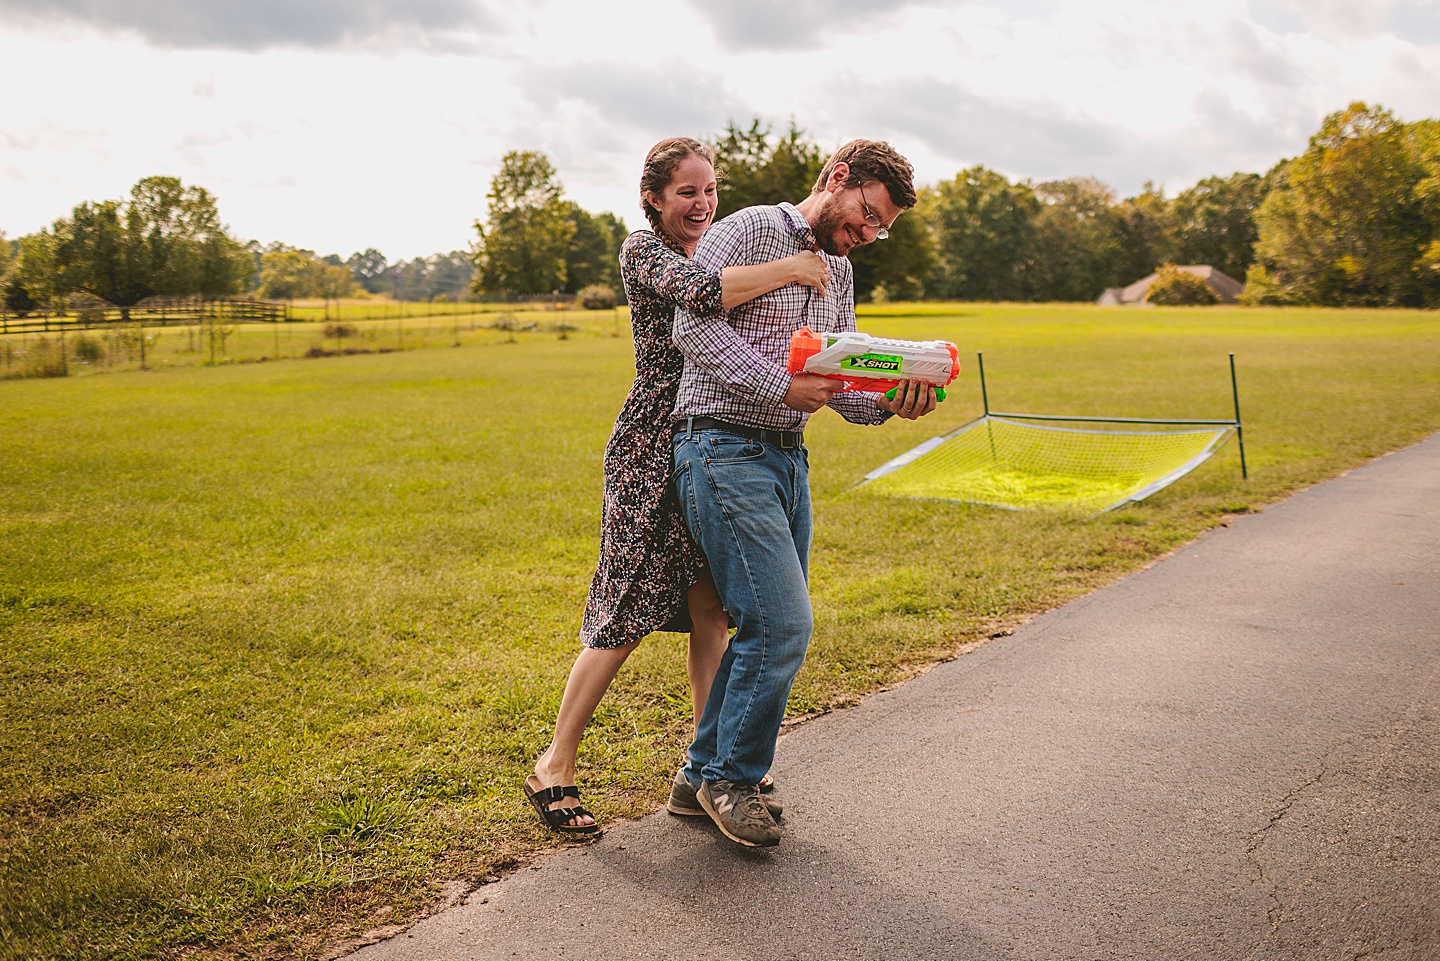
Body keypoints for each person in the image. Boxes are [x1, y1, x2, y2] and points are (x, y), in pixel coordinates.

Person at [525, 138, 831, 834]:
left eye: (711, 190)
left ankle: (712, 769)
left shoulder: (713, 251)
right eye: (687, 192)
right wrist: (795, 266)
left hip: (714, 440)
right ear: (654, 199)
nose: (703, 203)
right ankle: (555, 762)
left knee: (712, 611)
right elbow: (701, 296)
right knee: (625, 607)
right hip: (652, 445)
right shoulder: (645, 252)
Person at [670, 139, 938, 848]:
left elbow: (839, 378)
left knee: (766, 623)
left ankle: (698, 775)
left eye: (881, 228)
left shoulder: (840, 271)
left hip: (787, 459)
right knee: (782, 623)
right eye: (867, 215)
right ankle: (732, 777)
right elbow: (689, 326)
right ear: (839, 178)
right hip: (721, 444)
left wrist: (890, 401)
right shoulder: (749, 228)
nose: (869, 234)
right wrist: (780, 386)